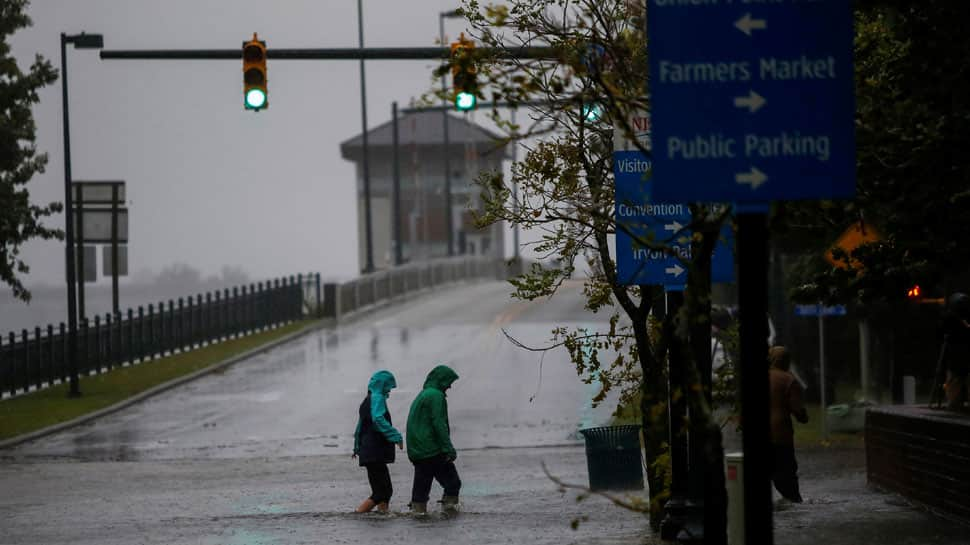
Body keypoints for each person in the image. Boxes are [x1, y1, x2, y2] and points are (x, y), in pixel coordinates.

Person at [406, 364, 461, 515]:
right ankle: (449, 513)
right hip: (431, 449)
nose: (450, 386)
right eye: (449, 382)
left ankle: (418, 516)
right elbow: (439, 424)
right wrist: (448, 449)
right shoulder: (436, 396)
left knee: (421, 490)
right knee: (453, 483)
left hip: (417, 450)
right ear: (442, 380)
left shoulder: (423, 394)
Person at [352, 370, 404, 513]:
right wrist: (396, 436)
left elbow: (360, 426)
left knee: (383, 491)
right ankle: (358, 514)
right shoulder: (377, 398)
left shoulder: (367, 400)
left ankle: (383, 515)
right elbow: (378, 419)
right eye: (388, 386)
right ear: (382, 385)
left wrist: (357, 447)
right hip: (375, 452)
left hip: (368, 452)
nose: (389, 390)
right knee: (382, 491)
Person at [768, 346, 808, 503]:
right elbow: (797, 410)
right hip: (780, 434)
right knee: (787, 471)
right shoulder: (789, 380)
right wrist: (803, 416)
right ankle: (794, 501)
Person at [943, 293, 970, 411]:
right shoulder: (953, 320)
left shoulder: (952, 319)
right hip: (958, 356)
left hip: (957, 357)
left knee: (955, 379)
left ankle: (954, 403)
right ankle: (954, 403)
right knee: (955, 379)